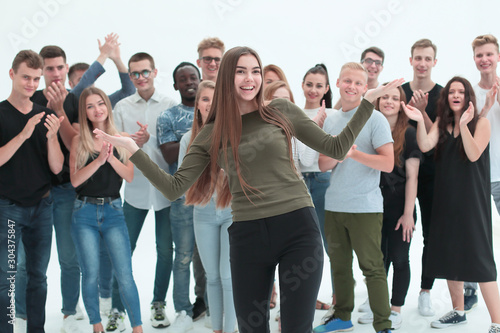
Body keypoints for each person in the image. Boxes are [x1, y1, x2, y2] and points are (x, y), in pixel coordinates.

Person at [95, 46, 401, 333]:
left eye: (255, 71)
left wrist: (366, 102)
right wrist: (132, 149)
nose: (250, 78)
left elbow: (335, 147)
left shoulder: (281, 110)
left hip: (297, 227)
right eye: (241, 71)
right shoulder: (212, 133)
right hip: (247, 236)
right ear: (228, 77)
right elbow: (174, 188)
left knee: (296, 327)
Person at [402, 76, 500, 333]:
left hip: (472, 202)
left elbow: (473, 153)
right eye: (451, 92)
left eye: (461, 92)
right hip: (446, 199)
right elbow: (424, 144)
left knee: (481, 260)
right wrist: (419, 115)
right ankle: (458, 312)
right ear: (446, 98)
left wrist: (464, 125)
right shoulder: (440, 123)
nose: (456, 95)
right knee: (449, 254)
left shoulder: (482, 123)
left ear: (468, 97)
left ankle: (497, 323)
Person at [315, 62, 396, 333]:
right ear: (337, 83)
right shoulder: (332, 119)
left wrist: (353, 153)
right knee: (339, 267)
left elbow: (388, 164)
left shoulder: (376, 119)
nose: (352, 86)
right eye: (347, 81)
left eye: (358, 83)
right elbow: (323, 164)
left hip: (366, 208)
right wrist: (338, 153)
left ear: (366, 88)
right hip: (335, 206)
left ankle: (383, 325)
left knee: (372, 268)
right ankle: (342, 317)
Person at [15, 45, 81, 333]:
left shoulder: (76, 99)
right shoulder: (30, 97)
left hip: (65, 190)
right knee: (24, 262)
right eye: (49, 68)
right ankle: (20, 314)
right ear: (40, 71)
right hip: (35, 195)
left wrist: (59, 111)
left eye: (59, 68)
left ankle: (70, 313)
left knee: (69, 256)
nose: (55, 74)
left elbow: (74, 145)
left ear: (66, 68)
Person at [110, 52, 176, 330]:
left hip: (165, 190)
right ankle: (117, 309)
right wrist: (129, 142)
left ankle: (158, 304)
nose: (140, 78)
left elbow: (177, 147)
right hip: (134, 190)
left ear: (154, 72)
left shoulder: (170, 104)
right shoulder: (122, 107)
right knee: (123, 251)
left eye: (144, 72)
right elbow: (113, 146)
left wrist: (152, 140)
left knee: (165, 250)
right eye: (134, 73)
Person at [69, 86, 143, 333]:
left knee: (124, 274)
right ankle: (96, 326)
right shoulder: (79, 140)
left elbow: (129, 176)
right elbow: (75, 181)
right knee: (89, 273)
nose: (96, 109)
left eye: (100, 103)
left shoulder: (123, 138)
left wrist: (111, 157)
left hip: (113, 211)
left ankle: (137, 327)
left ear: (107, 107)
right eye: (90, 106)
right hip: (84, 212)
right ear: (85, 112)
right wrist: (99, 160)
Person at [0, 49, 63, 333]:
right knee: (7, 278)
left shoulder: (46, 114)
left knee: (38, 277)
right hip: (9, 209)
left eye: (36, 79)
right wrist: (24, 134)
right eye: (26, 77)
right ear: (12, 74)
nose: (31, 84)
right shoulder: (1, 113)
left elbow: (57, 168)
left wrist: (51, 139)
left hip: (41, 208)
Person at [358, 85, 420, 330]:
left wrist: (407, 214)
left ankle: (395, 309)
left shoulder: (410, 134)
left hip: (399, 205)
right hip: (372, 205)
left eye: (396, 98)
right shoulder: (369, 129)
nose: (389, 102)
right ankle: (379, 307)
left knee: (400, 258)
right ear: (377, 100)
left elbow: (412, 177)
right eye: (385, 97)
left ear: (402, 104)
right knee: (377, 260)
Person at [178, 80, 236, 333]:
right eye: (204, 99)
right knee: (211, 276)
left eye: (215, 99)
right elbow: (182, 182)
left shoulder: (235, 133)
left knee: (227, 276)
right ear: (197, 104)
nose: (209, 104)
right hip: (203, 213)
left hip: (232, 212)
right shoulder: (188, 139)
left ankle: (233, 327)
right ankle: (218, 327)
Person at [156, 61, 201, 332]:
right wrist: (198, 134)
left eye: (192, 77)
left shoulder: (214, 109)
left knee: (215, 256)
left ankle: (210, 303)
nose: (189, 82)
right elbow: (170, 154)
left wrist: (185, 139)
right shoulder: (168, 116)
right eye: (182, 79)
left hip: (213, 192)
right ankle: (183, 310)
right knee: (183, 255)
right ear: (176, 85)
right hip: (182, 195)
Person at [401, 38, 443, 317]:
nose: (422, 63)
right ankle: (391, 295)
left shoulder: (442, 94)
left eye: (427, 58)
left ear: (434, 62)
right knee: (396, 236)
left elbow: (439, 140)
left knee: (430, 235)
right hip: (398, 175)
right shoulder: (399, 91)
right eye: (418, 57)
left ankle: (425, 291)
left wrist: (423, 112)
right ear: (411, 60)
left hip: (432, 176)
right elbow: (391, 127)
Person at [470, 34, 500, 312]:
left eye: (489, 54)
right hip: (477, 179)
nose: (484, 59)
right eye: (479, 55)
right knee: (474, 237)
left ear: (498, 56)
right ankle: (470, 294)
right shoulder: (471, 93)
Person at [300, 64, 333, 310]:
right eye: (309, 84)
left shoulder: (332, 115)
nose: (313, 89)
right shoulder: (294, 113)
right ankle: (304, 299)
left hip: (323, 181)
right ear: (302, 85)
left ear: (327, 89)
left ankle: (338, 297)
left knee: (329, 243)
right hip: (297, 183)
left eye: (318, 85)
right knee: (301, 246)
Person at [68, 33, 135, 108]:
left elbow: (129, 92)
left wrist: (117, 60)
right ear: (71, 84)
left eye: (92, 80)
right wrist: (103, 55)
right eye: (81, 79)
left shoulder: (103, 103)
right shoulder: (67, 100)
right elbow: (84, 84)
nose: (89, 84)